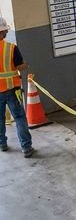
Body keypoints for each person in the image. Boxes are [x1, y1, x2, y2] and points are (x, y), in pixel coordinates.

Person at [0, 17, 33, 157]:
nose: (7, 31)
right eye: (5, 30)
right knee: (19, 118)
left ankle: (2, 144)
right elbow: (19, 66)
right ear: (2, 32)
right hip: (12, 89)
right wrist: (25, 65)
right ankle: (26, 148)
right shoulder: (11, 47)